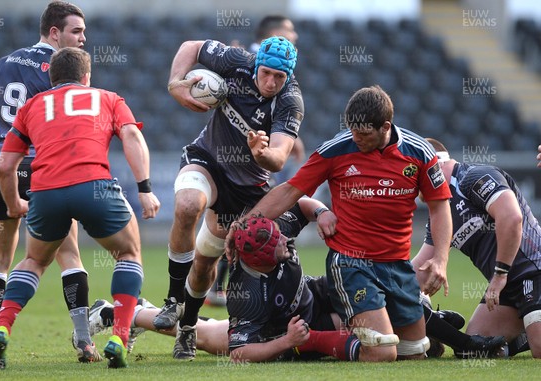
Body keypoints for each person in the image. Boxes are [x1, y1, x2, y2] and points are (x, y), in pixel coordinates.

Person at [88, 198, 503, 361]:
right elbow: (240, 356)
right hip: (277, 331)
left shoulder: (272, 236)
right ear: (260, 262)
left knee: (373, 304)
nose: (289, 248)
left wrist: (321, 212)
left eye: (284, 241)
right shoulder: (245, 295)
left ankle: (447, 331)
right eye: (281, 250)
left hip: (316, 299)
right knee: (204, 334)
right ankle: (121, 314)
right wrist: (285, 341)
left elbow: (302, 205)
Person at [225, 85, 453, 361]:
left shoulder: (420, 153)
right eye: (352, 131)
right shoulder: (335, 150)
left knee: (415, 352)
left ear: (385, 127)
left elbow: (439, 208)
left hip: (397, 264)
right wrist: (242, 224)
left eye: (364, 134)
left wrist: (440, 259)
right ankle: (310, 341)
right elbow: (290, 191)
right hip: (351, 263)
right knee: (382, 354)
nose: (356, 138)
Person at [0, 47, 160, 369]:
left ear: (51, 78)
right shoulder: (108, 98)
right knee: (129, 253)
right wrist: (145, 189)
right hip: (93, 187)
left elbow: (6, 165)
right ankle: (119, 337)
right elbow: (132, 134)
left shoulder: (31, 106)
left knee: (34, 261)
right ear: (86, 77)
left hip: (46, 191)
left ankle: (1, 328)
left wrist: (14, 205)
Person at [0, 1, 99, 363]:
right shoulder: (62, 72)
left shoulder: (2, 63)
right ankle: (84, 341)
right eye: (76, 31)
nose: (83, 39)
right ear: (54, 32)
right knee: (69, 253)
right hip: (45, 170)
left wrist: (8, 143)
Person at [153, 36, 304, 361]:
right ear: (256, 65)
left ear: (288, 76)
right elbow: (190, 47)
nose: (271, 82)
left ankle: (189, 327)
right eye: (266, 73)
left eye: (279, 77)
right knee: (188, 204)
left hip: (247, 188)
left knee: (206, 260)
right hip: (208, 158)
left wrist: (261, 154)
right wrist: (175, 84)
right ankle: (171, 299)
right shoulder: (237, 61)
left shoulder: (290, 101)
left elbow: (279, 159)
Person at [207, 15, 306, 307]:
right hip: (234, 159)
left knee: (243, 221)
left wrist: (289, 138)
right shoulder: (248, 59)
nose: (295, 37)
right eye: (289, 32)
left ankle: (220, 285)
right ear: (271, 35)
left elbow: (278, 108)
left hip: (256, 156)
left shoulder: (282, 72)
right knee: (250, 219)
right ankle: (232, 286)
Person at [412, 138, 541, 359]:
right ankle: (528, 332)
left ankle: (534, 332)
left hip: (533, 271)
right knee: (473, 348)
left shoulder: (473, 177)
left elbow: (511, 218)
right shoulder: (440, 212)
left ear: (432, 166)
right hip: (507, 288)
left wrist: (500, 275)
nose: (412, 188)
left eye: (413, 176)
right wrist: (383, 285)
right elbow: (419, 271)